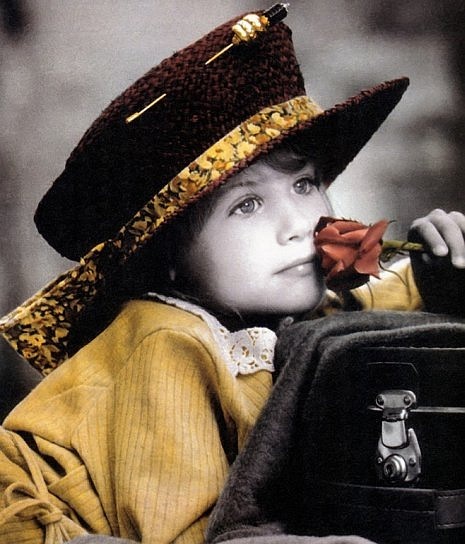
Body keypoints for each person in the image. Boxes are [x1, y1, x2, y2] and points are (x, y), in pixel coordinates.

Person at [0, 5, 464, 544]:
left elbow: (361, 318)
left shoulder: (287, 306)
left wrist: (438, 277)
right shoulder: (168, 342)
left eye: (304, 184)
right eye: (247, 205)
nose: (299, 225)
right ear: (170, 257)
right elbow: (182, 534)